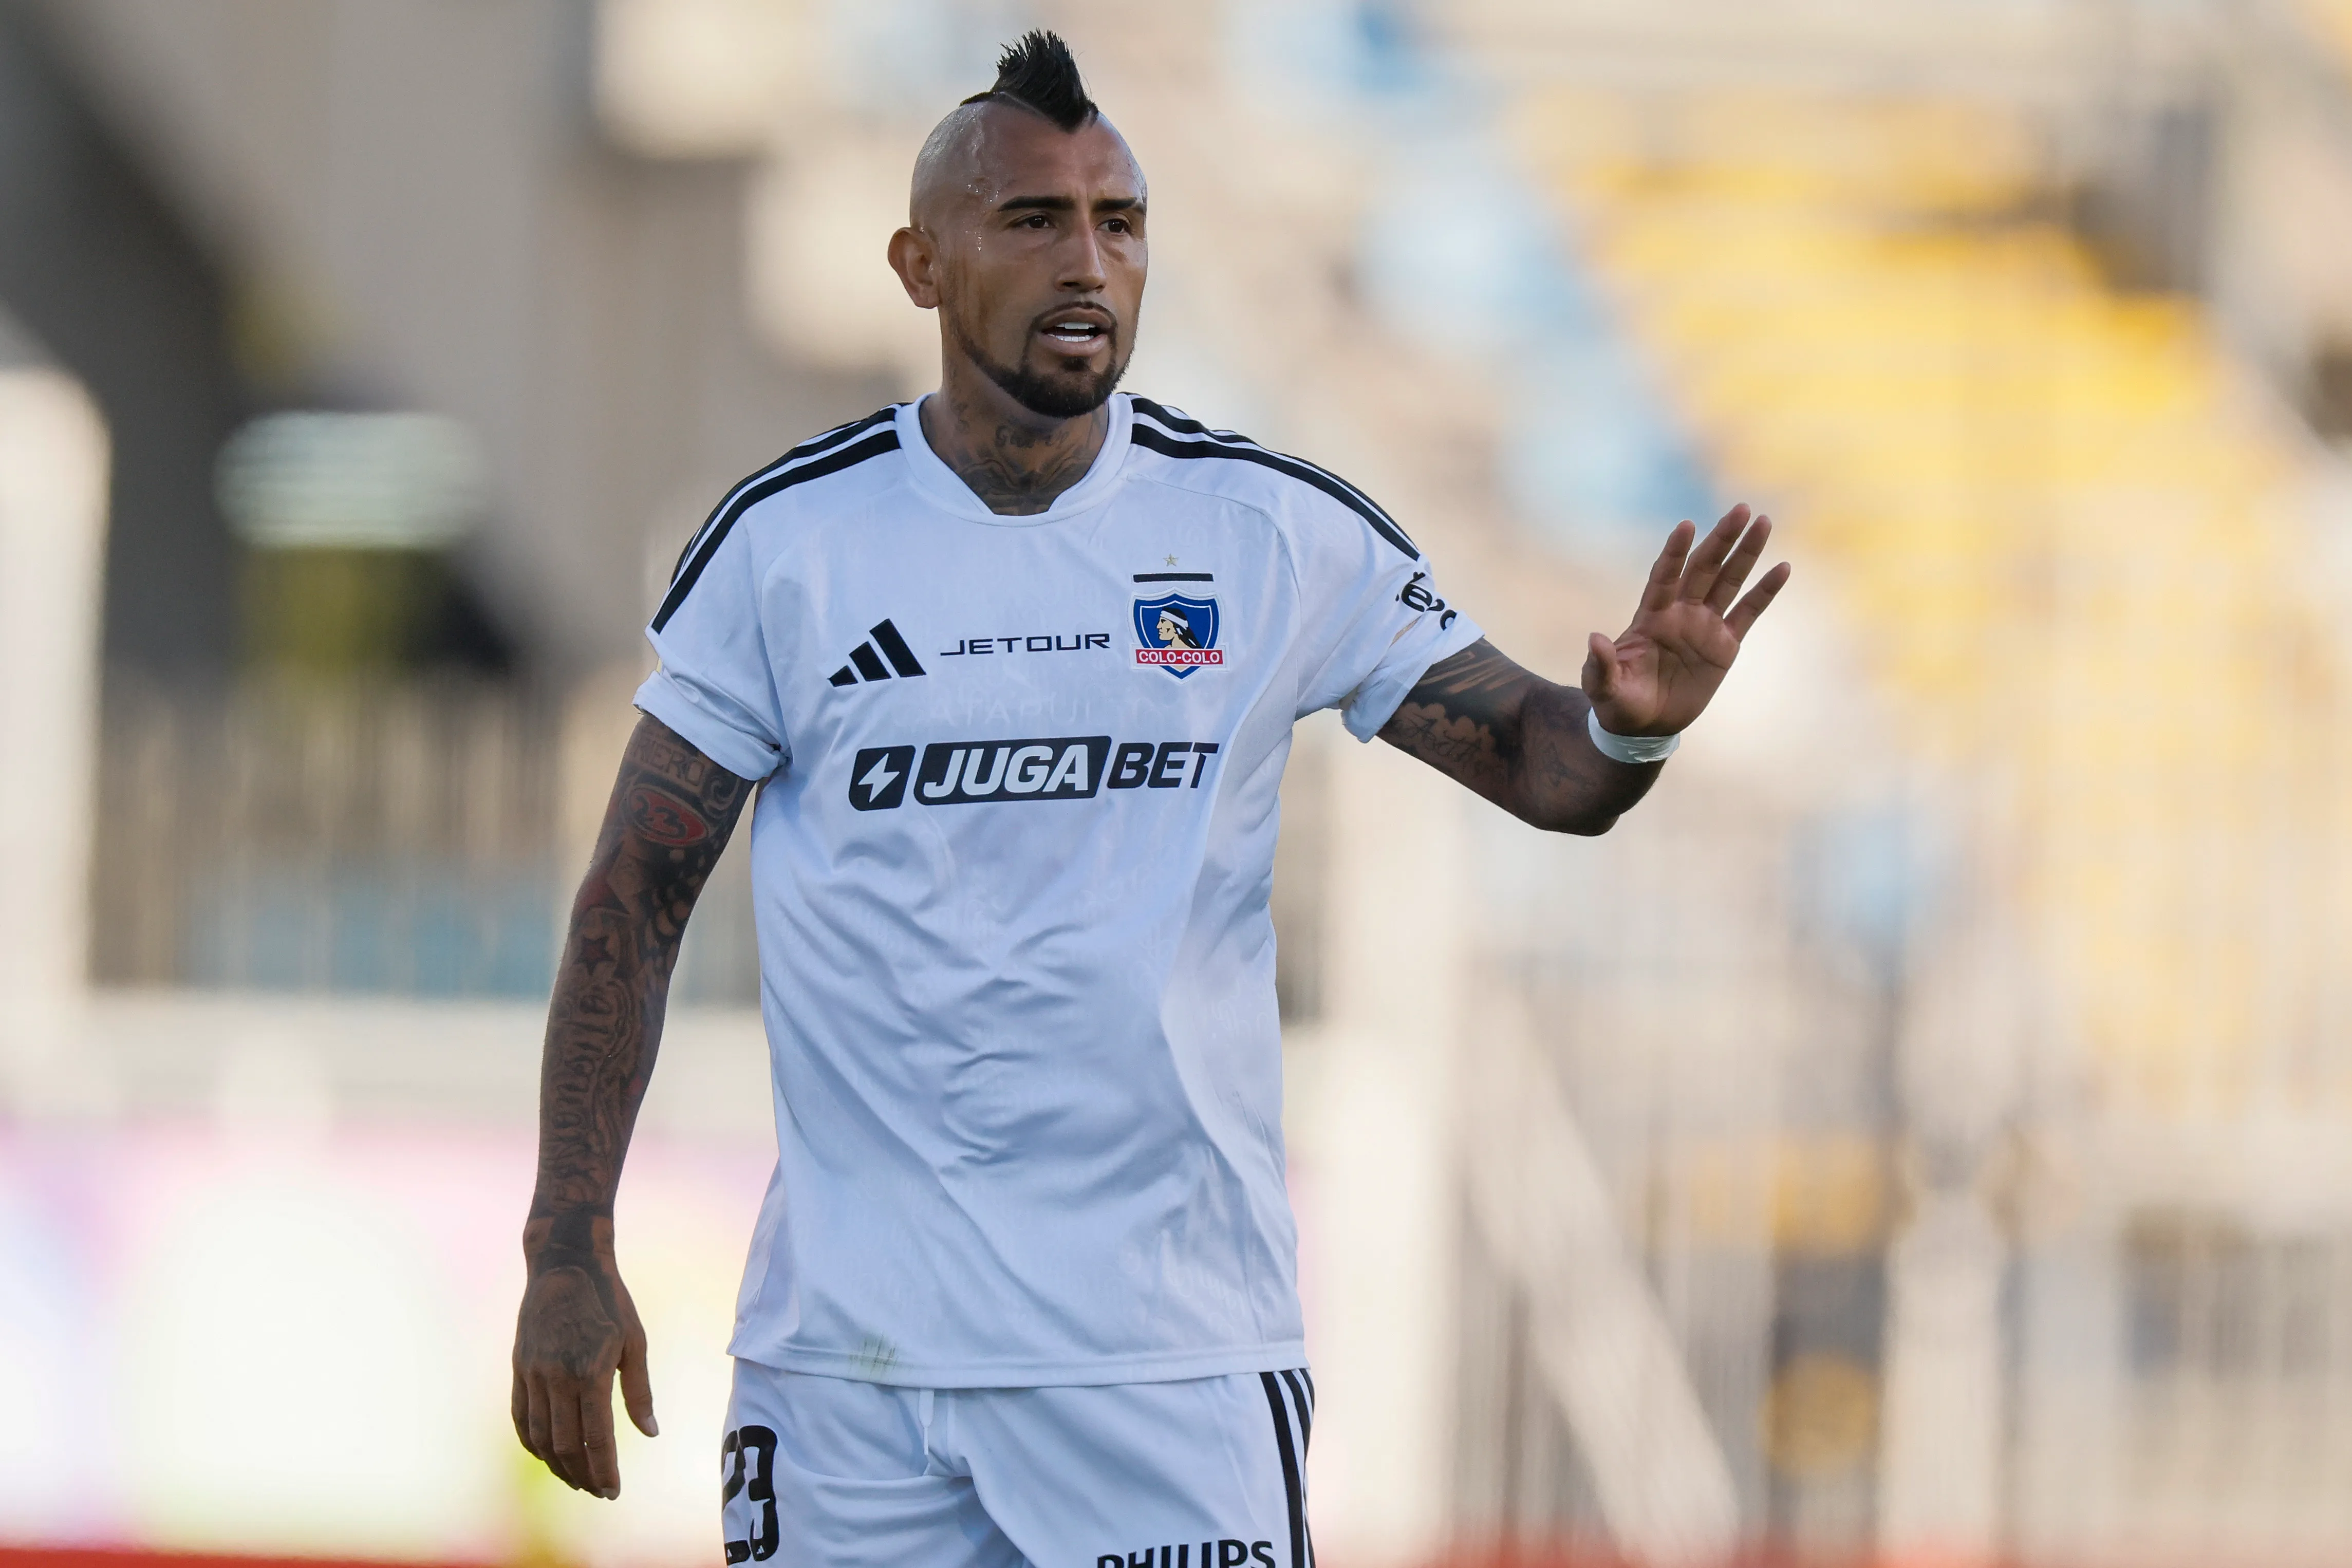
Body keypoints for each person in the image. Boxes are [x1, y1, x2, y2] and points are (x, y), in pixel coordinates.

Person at [510, 29, 1787, 1567]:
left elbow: (1543, 765)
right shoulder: (791, 545)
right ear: (921, 264)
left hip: (1165, 1372)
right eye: (1034, 221)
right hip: (851, 1377)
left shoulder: (1269, 534)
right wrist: (566, 1242)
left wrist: (1628, 724)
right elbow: (631, 901)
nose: (1089, 264)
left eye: (1120, 225)